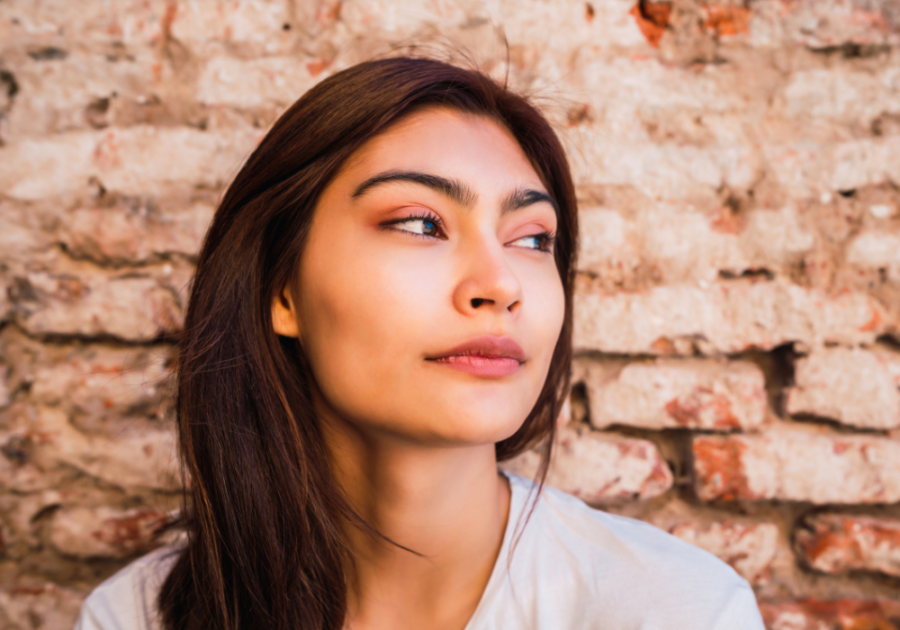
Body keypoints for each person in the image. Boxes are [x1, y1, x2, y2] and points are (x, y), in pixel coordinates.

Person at [72, 57, 765, 630]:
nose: (500, 284)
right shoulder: (136, 617)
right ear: (282, 290)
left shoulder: (680, 612)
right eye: (420, 224)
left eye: (532, 239)